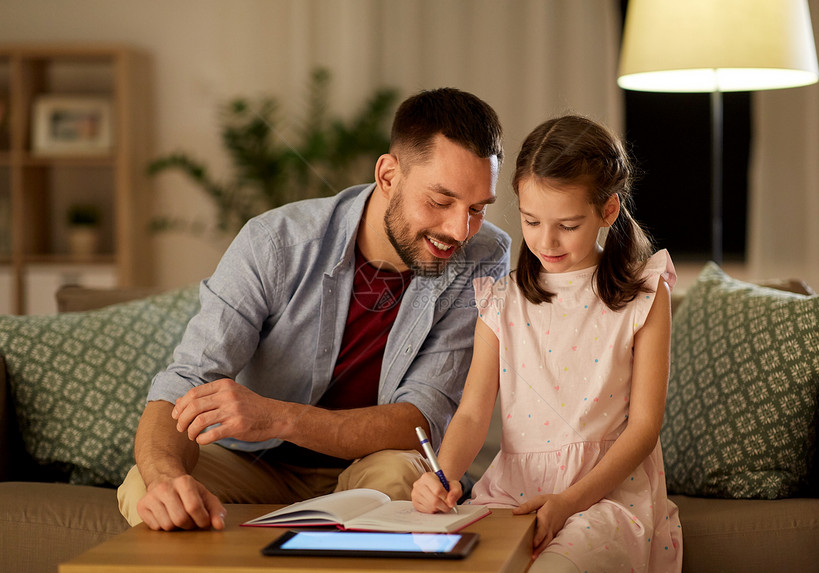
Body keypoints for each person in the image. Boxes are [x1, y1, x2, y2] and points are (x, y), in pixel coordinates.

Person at [117, 88, 511, 531]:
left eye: (477, 208)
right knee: (145, 488)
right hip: (254, 464)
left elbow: (419, 418)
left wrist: (275, 416)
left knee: (402, 472)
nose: (460, 229)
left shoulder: (483, 256)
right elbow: (186, 381)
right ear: (387, 175)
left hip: (368, 467)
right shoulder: (275, 242)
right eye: (440, 201)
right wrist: (167, 477)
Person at [411, 114, 682, 572]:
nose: (546, 241)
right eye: (531, 221)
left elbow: (643, 429)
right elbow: (474, 411)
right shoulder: (501, 300)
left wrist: (567, 502)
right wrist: (444, 475)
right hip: (511, 493)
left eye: (568, 226)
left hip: (604, 498)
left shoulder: (646, 294)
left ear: (608, 210)